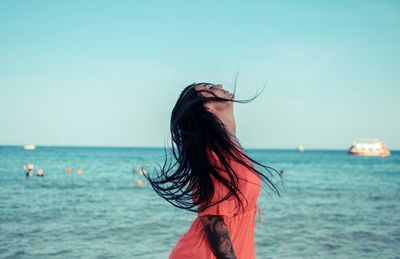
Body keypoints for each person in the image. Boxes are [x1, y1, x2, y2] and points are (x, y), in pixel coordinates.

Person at [145, 83, 280, 259]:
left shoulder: (229, 146)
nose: (218, 85)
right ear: (206, 106)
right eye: (209, 87)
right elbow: (213, 221)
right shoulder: (215, 154)